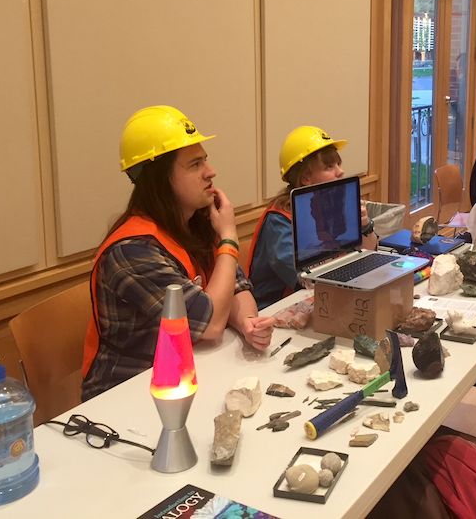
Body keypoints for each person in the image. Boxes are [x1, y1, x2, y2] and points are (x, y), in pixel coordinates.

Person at [82, 106, 274, 401]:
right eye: (195, 164)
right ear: (161, 179)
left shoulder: (196, 222)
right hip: (128, 395)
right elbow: (208, 323)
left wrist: (248, 322)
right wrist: (229, 238)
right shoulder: (132, 252)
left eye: (205, 160)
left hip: (187, 376)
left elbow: (234, 285)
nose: (210, 172)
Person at [246, 126, 377, 307]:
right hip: (277, 309)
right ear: (306, 178)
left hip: (321, 298)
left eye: (339, 164)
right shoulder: (279, 220)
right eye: (329, 167)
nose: (340, 172)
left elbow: (368, 252)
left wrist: (365, 226)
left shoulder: (329, 205)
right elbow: (304, 279)